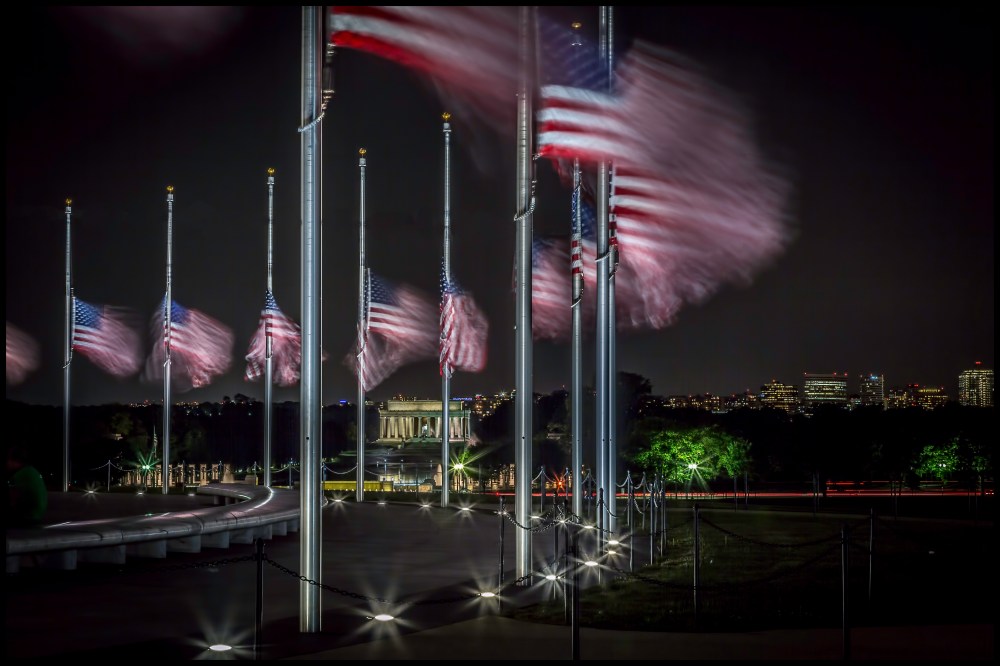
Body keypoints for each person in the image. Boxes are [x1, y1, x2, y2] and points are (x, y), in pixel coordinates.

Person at [7, 443, 48, 527]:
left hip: (27, 518)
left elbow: (13, 502)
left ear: (13, 461)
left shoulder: (18, 475)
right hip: (38, 516)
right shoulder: (32, 471)